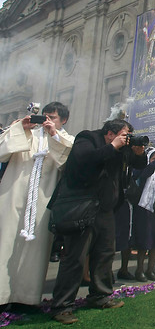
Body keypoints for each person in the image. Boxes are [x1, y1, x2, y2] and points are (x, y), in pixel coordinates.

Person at [50, 119, 146, 324]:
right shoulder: (87, 138)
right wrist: (113, 147)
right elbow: (84, 160)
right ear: (110, 134)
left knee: (105, 253)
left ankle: (100, 295)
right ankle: (62, 306)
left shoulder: (122, 148)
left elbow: (139, 164)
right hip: (82, 207)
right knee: (75, 257)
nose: (126, 139)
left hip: (105, 209)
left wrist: (139, 152)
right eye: (124, 135)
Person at [0, 102, 73, 307]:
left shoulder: (65, 139)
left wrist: (54, 135)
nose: (47, 121)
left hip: (42, 200)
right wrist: (19, 129)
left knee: (36, 249)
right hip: (13, 196)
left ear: (64, 120)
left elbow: (68, 160)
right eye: (45, 116)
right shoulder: (25, 131)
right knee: (4, 243)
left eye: (53, 118)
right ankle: (2, 296)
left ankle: (27, 298)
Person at [132, 148, 155, 282]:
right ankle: (139, 270)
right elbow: (146, 171)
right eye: (154, 159)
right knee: (144, 241)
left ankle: (150, 269)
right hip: (145, 210)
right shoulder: (145, 171)